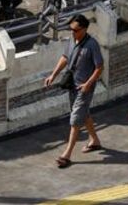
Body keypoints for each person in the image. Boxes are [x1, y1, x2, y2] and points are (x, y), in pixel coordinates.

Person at [44, 13, 104, 168]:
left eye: (76, 30)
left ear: (84, 29)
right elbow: (65, 57)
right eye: (71, 29)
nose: (73, 32)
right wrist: (53, 75)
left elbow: (99, 68)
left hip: (84, 88)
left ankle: (67, 154)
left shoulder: (92, 45)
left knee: (75, 119)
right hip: (72, 85)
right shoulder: (71, 40)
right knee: (83, 115)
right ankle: (95, 141)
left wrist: (88, 84)